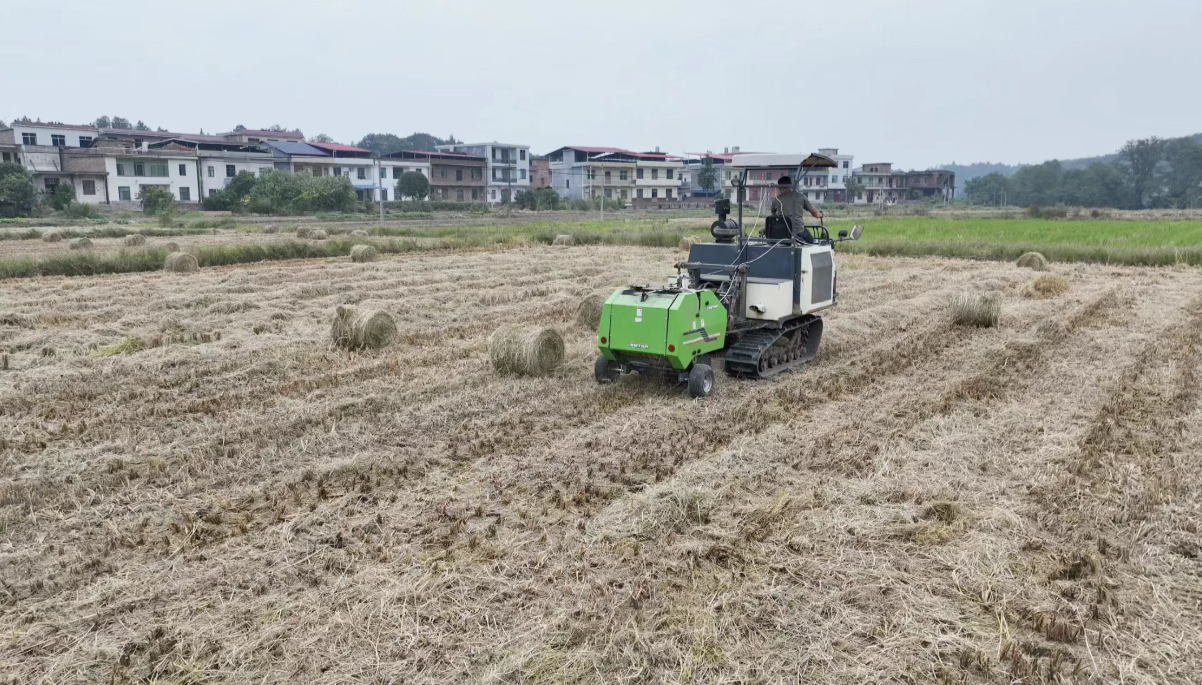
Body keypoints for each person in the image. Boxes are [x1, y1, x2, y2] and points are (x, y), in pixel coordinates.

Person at [768, 176, 823, 243]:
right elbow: (814, 213)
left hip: (783, 234)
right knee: (813, 243)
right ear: (791, 185)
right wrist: (820, 215)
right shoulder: (800, 197)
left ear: (779, 187)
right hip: (799, 233)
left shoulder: (776, 200)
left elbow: (774, 215)